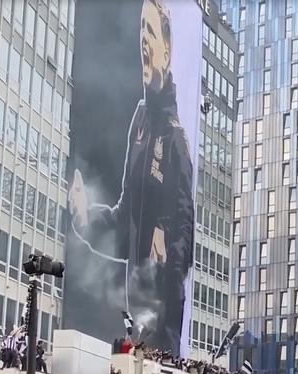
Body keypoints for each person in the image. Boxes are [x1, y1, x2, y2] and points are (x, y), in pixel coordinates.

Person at [68, 0, 195, 356]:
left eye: (151, 32)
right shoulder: (140, 121)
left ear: (166, 51)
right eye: (141, 30)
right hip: (134, 321)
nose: (143, 41)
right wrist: (85, 217)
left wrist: (165, 256)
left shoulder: (176, 139)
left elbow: (185, 237)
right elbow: (125, 223)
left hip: (160, 328)